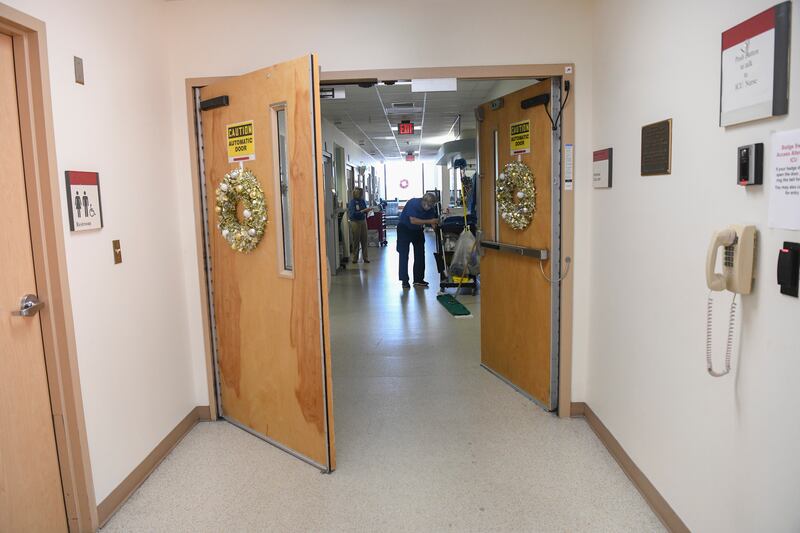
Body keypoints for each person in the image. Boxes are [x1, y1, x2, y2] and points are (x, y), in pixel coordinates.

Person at [397, 192, 438, 289]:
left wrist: (437, 228)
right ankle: (404, 280)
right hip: (404, 229)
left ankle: (418, 279)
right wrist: (430, 221)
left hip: (417, 230)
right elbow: (413, 220)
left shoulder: (431, 208)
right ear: (423, 200)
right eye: (426, 205)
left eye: (430, 205)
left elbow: (433, 221)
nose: (427, 207)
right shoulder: (413, 203)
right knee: (404, 254)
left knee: (420, 254)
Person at [348, 188, 372, 264]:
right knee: (356, 240)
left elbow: (364, 209)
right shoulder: (352, 203)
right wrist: (363, 211)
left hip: (363, 221)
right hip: (355, 222)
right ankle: (355, 258)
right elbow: (353, 214)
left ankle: (365, 257)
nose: (361, 195)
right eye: (360, 193)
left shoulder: (362, 201)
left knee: (364, 239)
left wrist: (367, 210)